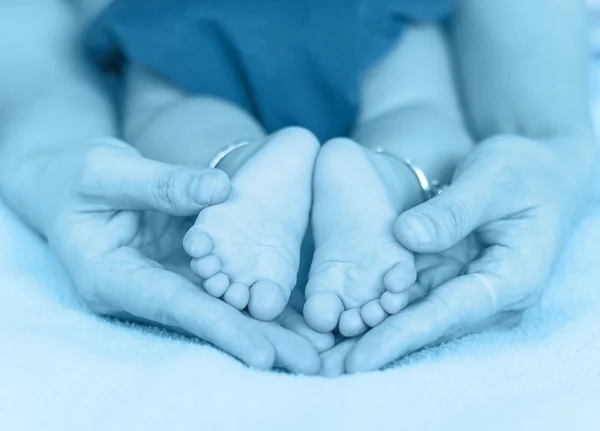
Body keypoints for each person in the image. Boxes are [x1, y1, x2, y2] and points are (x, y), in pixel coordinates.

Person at [0, 0, 594, 376]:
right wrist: (553, 140)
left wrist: (44, 154)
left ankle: (236, 169)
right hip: (372, 15)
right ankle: (388, 176)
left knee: (177, 119)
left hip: (182, 15)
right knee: (419, 113)